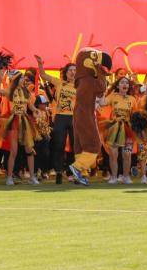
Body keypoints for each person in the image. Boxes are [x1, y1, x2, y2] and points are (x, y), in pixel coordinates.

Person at [68, 48, 112, 186]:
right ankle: (77, 167)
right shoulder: (88, 80)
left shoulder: (81, 80)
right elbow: (101, 88)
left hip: (79, 114)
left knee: (80, 146)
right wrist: (102, 72)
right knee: (94, 145)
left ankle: (80, 175)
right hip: (85, 115)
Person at [35, 56, 77, 184]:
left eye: (75, 70)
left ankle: (74, 172)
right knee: (59, 145)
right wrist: (40, 64)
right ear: (66, 72)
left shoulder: (80, 86)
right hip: (60, 117)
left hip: (74, 118)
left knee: (75, 146)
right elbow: (43, 75)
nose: (73, 72)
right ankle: (59, 172)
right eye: (70, 70)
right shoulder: (59, 82)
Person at [3, 72, 41, 186]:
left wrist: (36, 111)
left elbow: (30, 106)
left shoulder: (25, 92)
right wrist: (1, 74)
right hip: (14, 120)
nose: (23, 81)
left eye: (23, 79)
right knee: (14, 151)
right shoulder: (10, 91)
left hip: (24, 120)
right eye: (21, 79)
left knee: (29, 149)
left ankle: (32, 177)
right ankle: (9, 177)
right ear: (15, 80)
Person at [99, 77, 137, 184]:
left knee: (127, 154)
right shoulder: (113, 96)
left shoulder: (132, 99)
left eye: (126, 83)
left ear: (129, 86)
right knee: (113, 154)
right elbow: (102, 103)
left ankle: (126, 177)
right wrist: (103, 91)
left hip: (128, 128)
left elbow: (135, 115)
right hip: (114, 128)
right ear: (117, 86)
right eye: (122, 82)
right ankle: (114, 177)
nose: (125, 84)